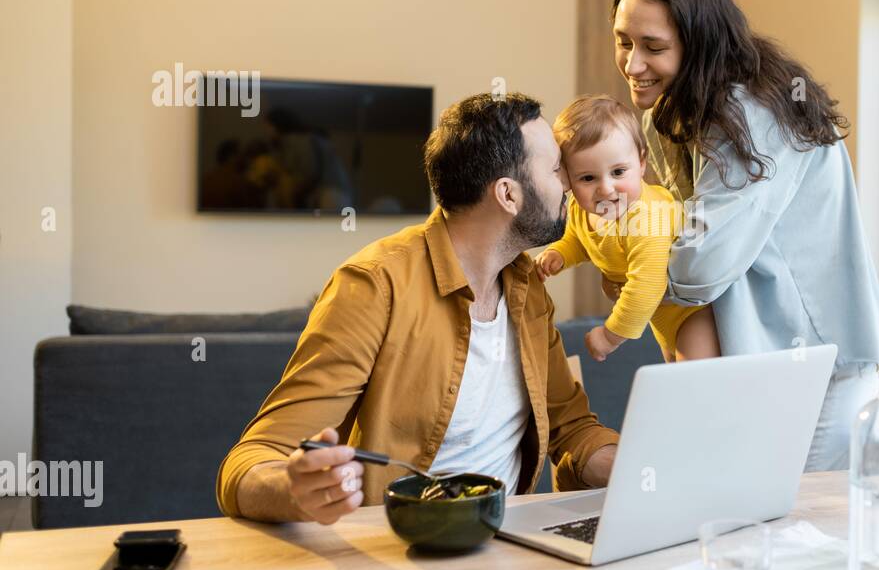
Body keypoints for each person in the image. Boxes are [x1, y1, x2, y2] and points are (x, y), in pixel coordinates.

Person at [215, 92, 621, 524]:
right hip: (398, 552)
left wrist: (643, 470)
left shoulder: (529, 288)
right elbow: (249, 464)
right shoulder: (374, 285)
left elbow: (572, 429)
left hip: (509, 549)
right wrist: (295, 489)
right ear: (508, 194)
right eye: (556, 169)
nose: (569, 184)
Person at [607, 0, 879, 471]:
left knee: (799, 529)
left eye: (653, 47)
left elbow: (702, 263)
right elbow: (683, 229)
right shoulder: (674, 113)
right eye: (624, 41)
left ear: (698, 46)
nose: (631, 64)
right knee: (758, 526)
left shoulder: (748, 113)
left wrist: (633, 269)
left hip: (817, 363)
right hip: (766, 358)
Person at [534, 94, 720, 363]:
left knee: (696, 387)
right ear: (567, 178)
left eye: (619, 172)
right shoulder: (580, 209)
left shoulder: (647, 218)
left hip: (694, 312)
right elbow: (581, 239)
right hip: (661, 317)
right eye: (587, 178)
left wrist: (610, 336)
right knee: (678, 388)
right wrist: (560, 253)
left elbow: (647, 284)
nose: (606, 188)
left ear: (641, 163)